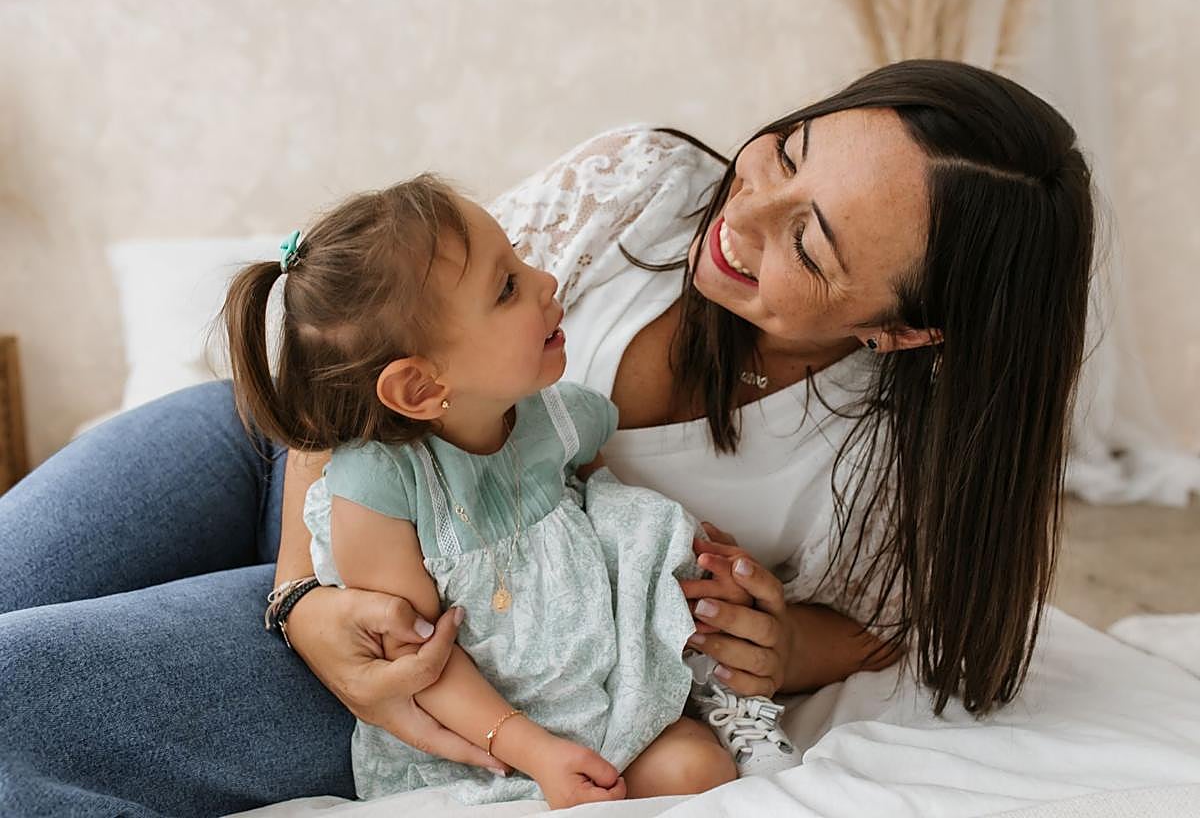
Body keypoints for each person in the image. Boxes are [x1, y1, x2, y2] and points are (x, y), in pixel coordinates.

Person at [0, 59, 1095, 818]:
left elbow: (911, 620)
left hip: (436, 639)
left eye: (807, 240)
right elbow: (378, 354)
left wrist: (794, 645)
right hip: (285, 456)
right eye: (790, 151)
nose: (744, 211)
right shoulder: (641, 188)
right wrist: (303, 598)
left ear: (904, 327)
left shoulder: (881, 461)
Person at [220, 176, 741, 806]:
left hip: (589, 690)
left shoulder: (557, 416)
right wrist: (533, 749)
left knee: (700, 771)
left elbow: (605, 503)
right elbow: (417, 658)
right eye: (507, 288)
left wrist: (672, 550)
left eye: (519, 258)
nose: (546, 281)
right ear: (418, 387)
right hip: (475, 734)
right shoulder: (378, 487)